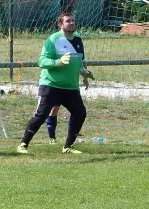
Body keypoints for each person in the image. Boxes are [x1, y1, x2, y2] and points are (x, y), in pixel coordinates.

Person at [17, 13, 94, 155]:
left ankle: (68, 146)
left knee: (80, 113)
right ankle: (23, 144)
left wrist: (84, 74)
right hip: (51, 85)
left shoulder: (77, 39)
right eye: (68, 21)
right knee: (41, 115)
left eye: (72, 21)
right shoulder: (53, 39)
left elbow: (79, 60)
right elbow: (42, 62)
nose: (71, 23)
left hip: (70, 87)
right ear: (60, 25)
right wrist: (57, 62)